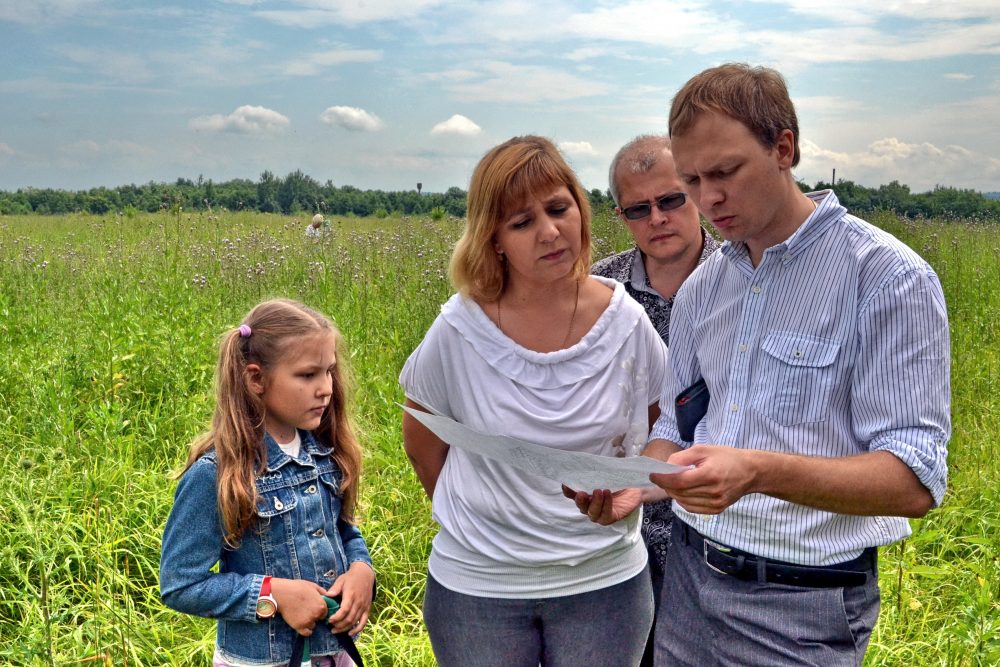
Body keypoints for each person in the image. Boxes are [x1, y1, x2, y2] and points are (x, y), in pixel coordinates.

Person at [574, 63, 951, 666]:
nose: (709, 198)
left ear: (784, 148)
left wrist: (756, 471)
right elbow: (677, 429)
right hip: (690, 588)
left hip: (803, 606)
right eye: (694, 179)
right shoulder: (706, 288)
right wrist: (632, 486)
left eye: (724, 172)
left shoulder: (886, 277)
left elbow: (914, 480)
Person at [400, 135, 668, 667]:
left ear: (580, 208)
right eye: (521, 222)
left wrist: (628, 493)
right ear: (493, 238)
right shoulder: (460, 328)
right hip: (478, 589)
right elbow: (424, 446)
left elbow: (660, 427)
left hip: (605, 582)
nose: (549, 232)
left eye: (558, 208)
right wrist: (495, 527)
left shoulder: (626, 320)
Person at [160, 298, 375, 667]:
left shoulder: (324, 454)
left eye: (329, 372)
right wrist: (273, 594)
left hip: (334, 652)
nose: (325, 388)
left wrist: (361, 570)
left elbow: (343, 531)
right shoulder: (217, 474)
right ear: (257, 378)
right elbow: (180, 583)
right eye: (308, 375)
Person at [590, 134, 719, 667]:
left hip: (711, 528)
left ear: (694, 190)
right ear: (622, 215)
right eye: (639, 209)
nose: (658, 219)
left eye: (671, 200)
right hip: (617, 528)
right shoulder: (597, 290)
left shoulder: (741, 277)